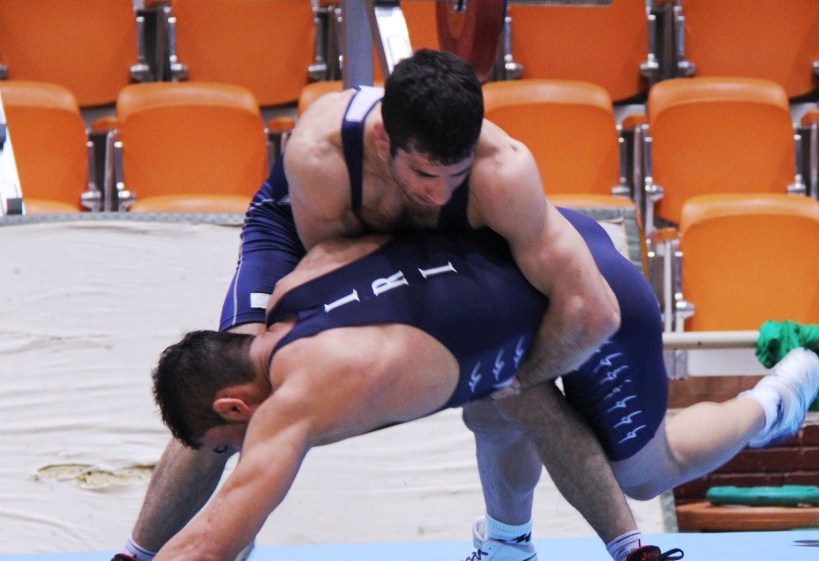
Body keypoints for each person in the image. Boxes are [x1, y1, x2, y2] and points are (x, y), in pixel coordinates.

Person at [114, 48, 639, 561]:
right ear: (385, 141)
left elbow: (587, 307)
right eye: (425, 175)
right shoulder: (320, 155)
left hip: (401, 240)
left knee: (514, 387)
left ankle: (620, 547)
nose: (441, 194)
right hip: (307, 238)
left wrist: (501, 365)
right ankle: (144, 551)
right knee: (235, 381)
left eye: (454, 177)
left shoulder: (501, 168)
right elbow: (332, 268)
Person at [149, 214, 818, 561]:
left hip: (585, 295)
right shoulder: (297, 288)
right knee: (494, 402)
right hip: (537, 249)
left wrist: (627, 544)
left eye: (228, 443)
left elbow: (215, 539)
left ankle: (776, 399)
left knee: (645, 471)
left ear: (235, 404)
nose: (240, 451)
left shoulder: (310, 388)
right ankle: (507, 543)